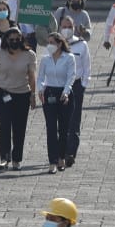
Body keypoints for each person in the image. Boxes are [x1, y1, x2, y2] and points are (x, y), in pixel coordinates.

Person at [0, 28, 37, 170]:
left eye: (17, 39)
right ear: (6, 40)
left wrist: (33, 94)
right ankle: (4, 158)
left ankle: (17, 158)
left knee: (19, 127)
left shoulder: (29, 55)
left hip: (22, 94)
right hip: (3, 93)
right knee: (5, 126)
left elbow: (31, 76)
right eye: (11, 39)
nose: (14, 42)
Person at [38, 32, 77, 173]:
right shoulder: (45, 59)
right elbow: (41, 77)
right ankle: (52, 161)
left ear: (60, 44)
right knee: (51, 128)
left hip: (64, 94)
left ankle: (62, 157)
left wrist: (66, 92)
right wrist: (40, 89)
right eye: (48, 42)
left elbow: (71, 76)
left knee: (64, 128)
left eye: (52, 43)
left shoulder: (69, 58)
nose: (49, 45)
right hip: (50, 93)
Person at [57, 16, 91, 168]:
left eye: (69, 26)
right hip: (58, 85)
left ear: (74, 26)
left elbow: (86, 66)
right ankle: (61, 151)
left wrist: (83, 85)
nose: (66, 29)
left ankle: (71, 153)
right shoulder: (55, 44)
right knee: (60, 120)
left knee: (74, 120)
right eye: (63, 26)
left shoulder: (81, 44)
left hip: (75, 86)